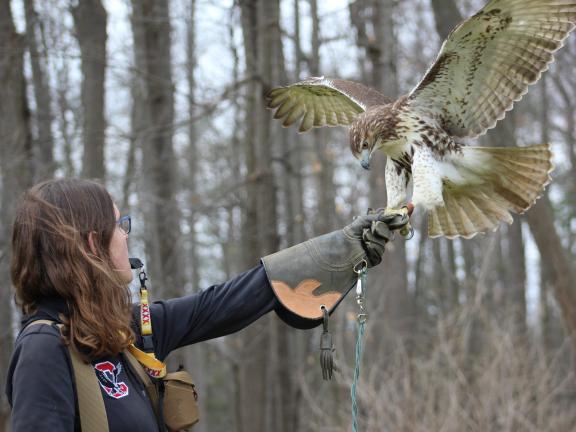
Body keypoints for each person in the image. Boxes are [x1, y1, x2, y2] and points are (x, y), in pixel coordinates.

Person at [5, 178, 408, 431]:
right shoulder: (45, 351)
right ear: (92, 243)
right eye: (119, 225)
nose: (126, 236)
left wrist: (341, 247)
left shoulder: (123, 332)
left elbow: (221, 305)